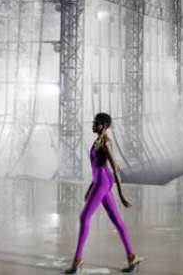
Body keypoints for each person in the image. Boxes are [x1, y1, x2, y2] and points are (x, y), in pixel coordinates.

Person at [64, 112, 142, 274]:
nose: (93, 124)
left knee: (84, 217)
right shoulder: (97, 140)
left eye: (97, 123)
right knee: (116, 219)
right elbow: (96, 168)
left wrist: (121, 194)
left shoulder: (106, 143)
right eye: (94, 122)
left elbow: (115, 168)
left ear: (104, 126)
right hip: (99, 182)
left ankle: (77, 260)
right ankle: (132, 256)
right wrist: (89, 188)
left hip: (104, 182)